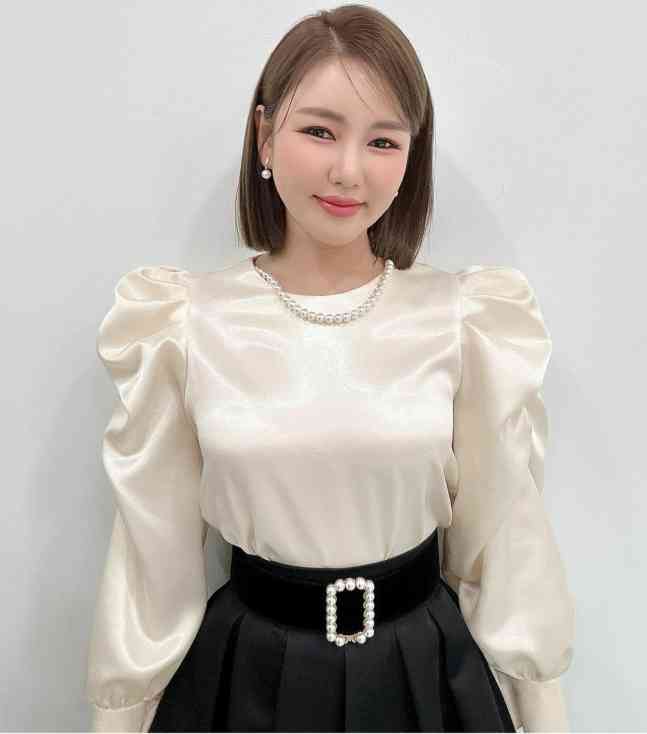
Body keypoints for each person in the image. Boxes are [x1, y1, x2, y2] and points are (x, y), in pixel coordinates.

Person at [85, 5, 575, 732]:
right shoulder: (185, 326)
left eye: (382, 141)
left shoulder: (463, 321)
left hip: (423, 677)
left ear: (410, 156)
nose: (348, 170)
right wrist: (119, 716)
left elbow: (504, 546)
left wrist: (544, 713)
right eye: (319, 131)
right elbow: (150, 567)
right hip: (247, 681)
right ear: (264, 135)